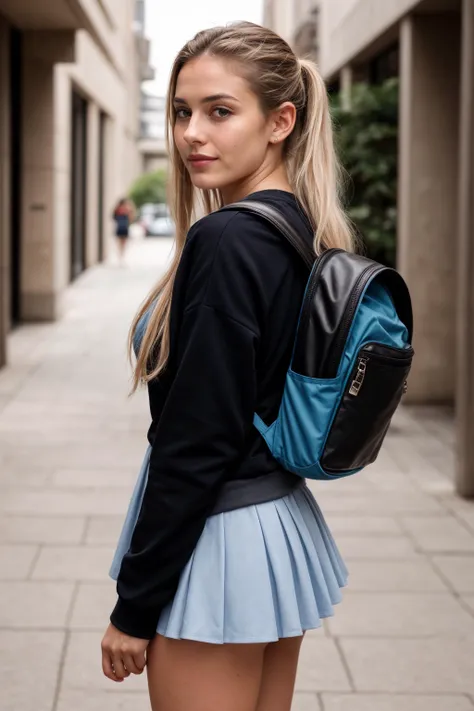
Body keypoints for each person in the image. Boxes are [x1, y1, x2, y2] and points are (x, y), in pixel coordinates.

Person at [101, 21, 354, 711]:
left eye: (219, 111)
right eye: (182, 112)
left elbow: (198, 437)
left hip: (217, 541)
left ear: (281, 120)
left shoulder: (229, 237)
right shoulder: (297, 224)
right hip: (272, 524)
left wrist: (135, 603)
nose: (191, 134)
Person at [113, 198, 134, 264]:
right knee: (122, 242)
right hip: (122, 227)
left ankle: (121, 255)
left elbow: (114, 217)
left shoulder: (118, 209)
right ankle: (121, 255)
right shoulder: (125, 209)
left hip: (122, 227)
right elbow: (131, 218)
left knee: (121, 242)